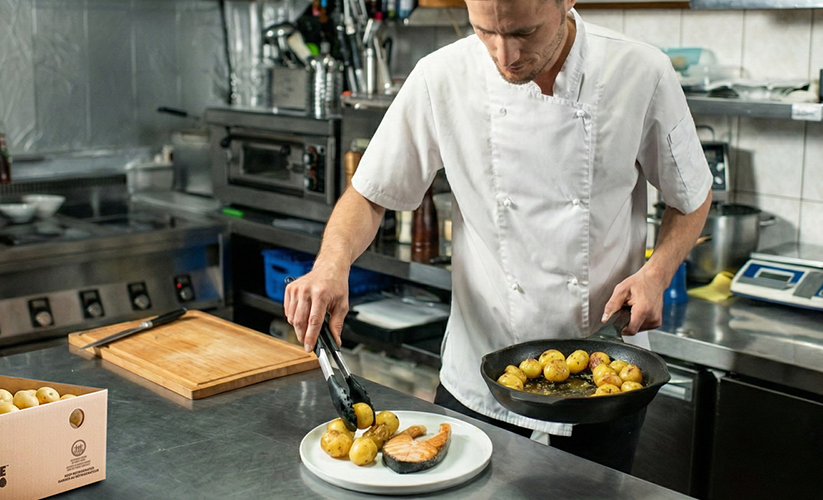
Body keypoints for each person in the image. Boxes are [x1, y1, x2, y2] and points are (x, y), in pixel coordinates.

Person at [284, 0, 712, 473]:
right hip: (479, 376)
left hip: (605, 383)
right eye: (484, 31)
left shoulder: (640, 72)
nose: (504, 54)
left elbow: (690, 196)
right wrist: (331, 265)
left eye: (524, 33)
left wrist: (656, 273)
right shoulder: (440, 76)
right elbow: (370, 194)